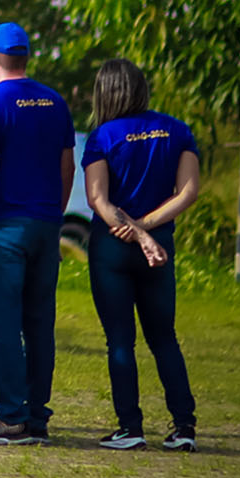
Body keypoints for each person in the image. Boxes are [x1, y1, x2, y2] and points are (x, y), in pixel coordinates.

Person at [0, 21, 76, 444]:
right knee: (40, 325)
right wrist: (52, 213)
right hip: (45, 225)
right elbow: (67, 166)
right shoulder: (56, 103)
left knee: (4, 327)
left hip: (5, 228)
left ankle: (10, 417)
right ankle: (37, 417)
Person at [81, 58, 201, 452]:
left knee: (120, 341)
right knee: (165, 338)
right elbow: (187, 193)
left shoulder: (103, 136)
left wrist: (134, 231)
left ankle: (130, 427)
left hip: (112, 248)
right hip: (160, 248)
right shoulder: (177, 130)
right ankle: (184, 427)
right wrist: (149, 232)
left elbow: (98, 199)